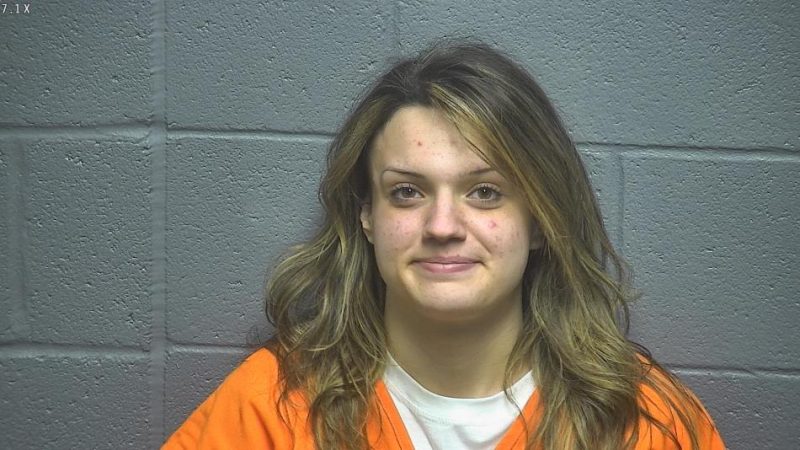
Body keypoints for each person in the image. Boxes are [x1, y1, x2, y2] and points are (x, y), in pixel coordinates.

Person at [163, 41, 725, 450]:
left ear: (539, 221)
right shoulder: (272, 408)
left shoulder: (644, 422)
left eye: (485, 192)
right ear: (366, 215)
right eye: (407, 192)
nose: (442, 225)